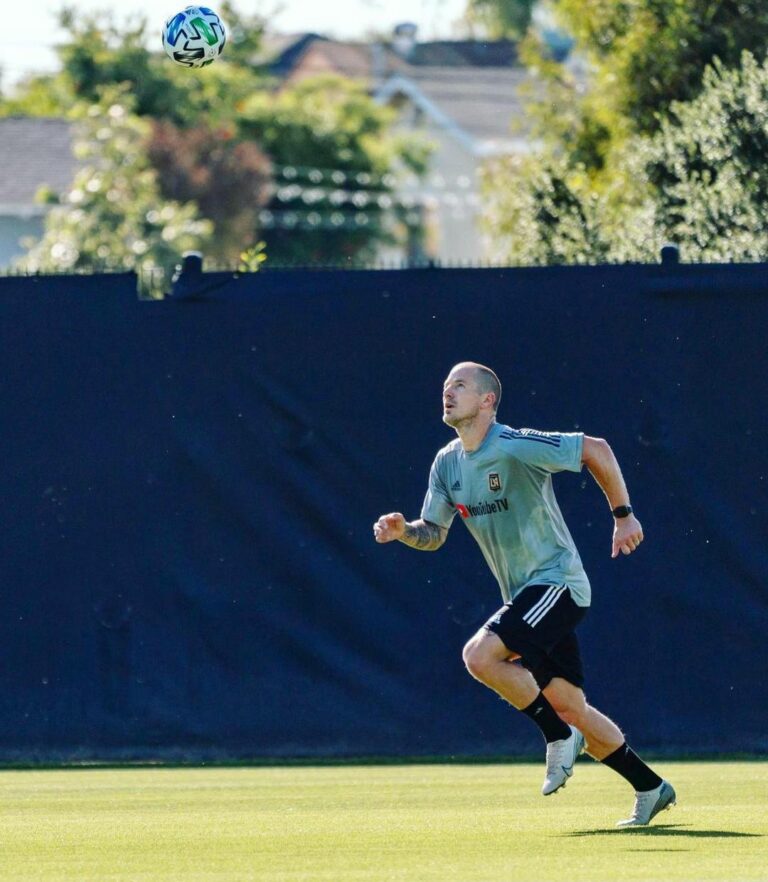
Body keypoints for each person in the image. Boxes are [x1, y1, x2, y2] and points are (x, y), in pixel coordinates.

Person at [373, 361, 676, 827]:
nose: (447, 393)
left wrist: (623, 515)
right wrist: (404, 532)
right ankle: (650, 787)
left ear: (487, 400)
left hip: (558, 584)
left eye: (459, 386)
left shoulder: (512, 445)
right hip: (528, 595)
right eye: (445, 386)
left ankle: (558, 737)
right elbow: (434, 532)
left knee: (479, 656)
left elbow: (595, 448)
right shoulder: (447, 462)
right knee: (570, 706)